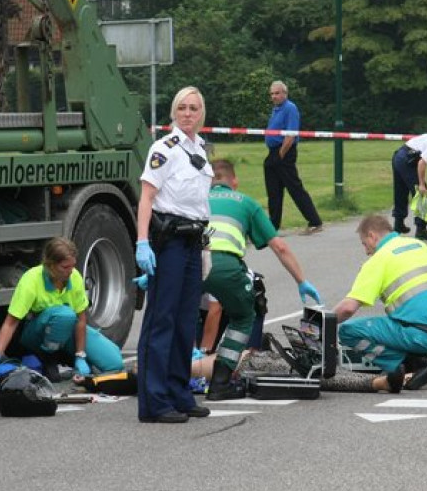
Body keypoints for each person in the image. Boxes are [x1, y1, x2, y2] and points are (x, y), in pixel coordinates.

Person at [201, 158, 323, 400]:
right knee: (245, 314)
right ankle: (221, 381)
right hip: (222, 266)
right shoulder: (245, 202)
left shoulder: (195, 200)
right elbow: (280, 247)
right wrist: (301, 281)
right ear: (233, 181)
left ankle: (168, 376)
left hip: (188, 264)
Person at [135, 86, 214, 423]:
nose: (187, 114)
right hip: (168, 242)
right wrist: (142, 242)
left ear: (201, 114)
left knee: (185, 321)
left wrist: (206, 248)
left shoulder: (200, 150)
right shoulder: (163, 149)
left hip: (193, 241)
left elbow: (199, 203)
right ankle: (154, 401)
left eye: (193, 108)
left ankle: (179, 392)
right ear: (173, 112)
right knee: (162, 321)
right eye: (181, 108)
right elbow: (146, 198)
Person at [332, 215, 427, 392]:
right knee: (402, 317)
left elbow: (347, 308)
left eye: (364, 243)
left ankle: (406, 364)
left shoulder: (378, 259)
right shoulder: (420, 246)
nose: (366, 251)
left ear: (372, 236)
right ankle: (418, 359)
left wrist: (322, 323)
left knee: (349, 330)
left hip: (422, 336)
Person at [0, 238, 124, 385]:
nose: (71, 271)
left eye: (73, 266)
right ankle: (49, 358)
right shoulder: (31, 279)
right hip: (35, 334)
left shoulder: (74, 276)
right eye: (65, 267)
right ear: (50, 265)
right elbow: (10, 324)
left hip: (66, 329)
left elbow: (81, 320)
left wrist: (80, 355)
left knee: (114, 362)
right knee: (64, 315)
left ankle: (69, 359)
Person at [263, 80, 323, 234]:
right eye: (272, 94)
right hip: (273, 152)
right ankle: (273, 226)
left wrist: (281, 155)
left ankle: (315, 221)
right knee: (273, 191)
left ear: (285, 93)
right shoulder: (276, 109)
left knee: (294, 187)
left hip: (284, 152)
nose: (274, 96)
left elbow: (290, 134)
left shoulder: (290, 108)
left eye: (277, 93)